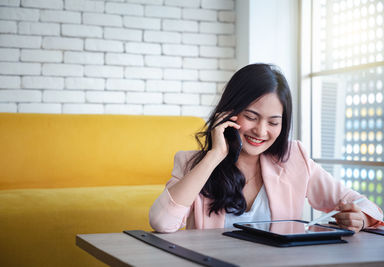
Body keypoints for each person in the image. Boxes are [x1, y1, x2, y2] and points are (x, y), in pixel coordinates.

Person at [149, 63, 384, 233]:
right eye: (251, 117)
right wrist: (214, 156)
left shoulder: (294, 159)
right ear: (230, 113)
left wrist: (360, 218)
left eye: (273, 122)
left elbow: (362, 204)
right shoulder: (191, 163)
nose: (261, 132)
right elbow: (162, 223)